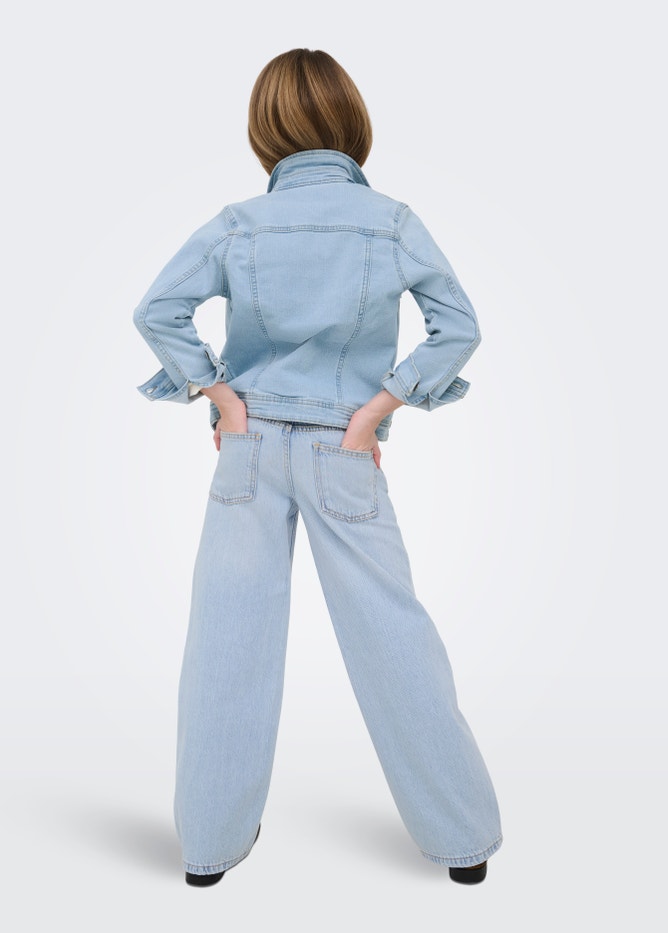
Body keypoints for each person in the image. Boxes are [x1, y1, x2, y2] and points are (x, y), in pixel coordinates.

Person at [132, 48, 503, 886]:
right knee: (393, 633)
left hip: (250, 446)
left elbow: (157, 309)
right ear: (353, 123)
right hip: (346, 448)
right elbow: (458, 327)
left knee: (227, 639)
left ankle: (208, 847)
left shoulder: (237, 224)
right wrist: (378, 409)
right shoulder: (392, 222)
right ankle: (463, 840)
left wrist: (221, 398)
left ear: (264, 131)